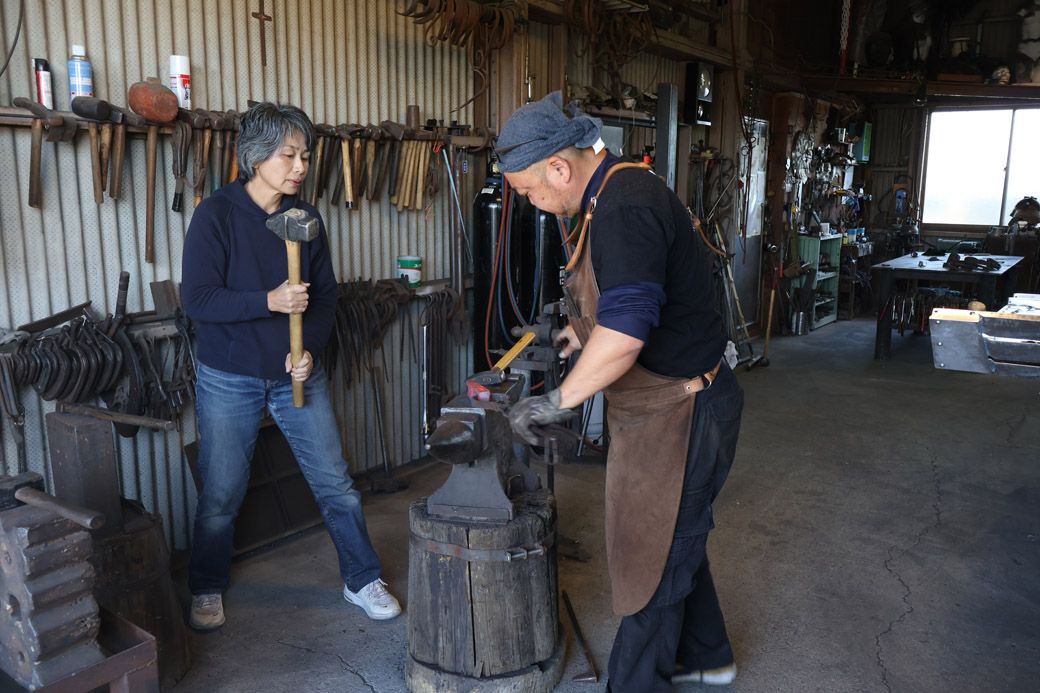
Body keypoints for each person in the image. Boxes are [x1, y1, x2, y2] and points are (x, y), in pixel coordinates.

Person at [501, 92, 744, 692]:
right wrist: (579, 333)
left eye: (530, 191)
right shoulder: (613, 191)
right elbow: (636, 299)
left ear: (559, 168)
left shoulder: (623, 207)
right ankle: (707, 656)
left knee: (654, 560)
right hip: (668, 403)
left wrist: (558, 402)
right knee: (676, 538)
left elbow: (630, 327)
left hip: (684, 410)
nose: (532, 205)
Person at [180, 102, 401, 631]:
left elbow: (324, 299)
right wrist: (268, 301)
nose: (301, 166)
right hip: (229, 376)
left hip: (296, 374)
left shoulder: (305, 218)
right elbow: (199, 301)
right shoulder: (217, 215)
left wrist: (310, 351)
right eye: (289, 155)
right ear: (257, 157)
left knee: (335, 483)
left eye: (305, 155)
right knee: (222, 491)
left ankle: (361, 579)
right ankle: (207, 586)